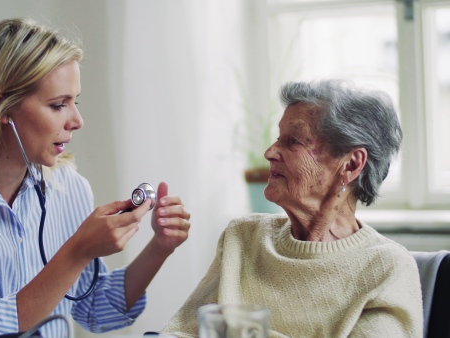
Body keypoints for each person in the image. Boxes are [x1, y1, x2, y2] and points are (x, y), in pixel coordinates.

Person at [0, 18, 191, 338]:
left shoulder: (68, 188)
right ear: (2, 106)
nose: (77, 120)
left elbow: (95, 307)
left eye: (75, 102)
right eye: (58, 105)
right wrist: (78, 249)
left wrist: (160, 246)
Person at [161, 79, 423, 337]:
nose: (270, 152)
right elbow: (182, 332)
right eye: (278, 138)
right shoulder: (243, 238)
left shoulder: (386, 268)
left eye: (293, 141)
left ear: (352, 164)